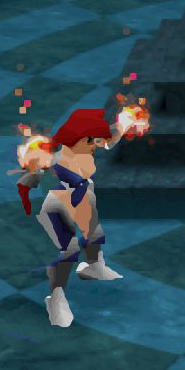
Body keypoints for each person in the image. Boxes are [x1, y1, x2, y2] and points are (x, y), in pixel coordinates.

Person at [11, 107, 130, 328]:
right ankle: (56, 298)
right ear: (81, 138)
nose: (96, 144)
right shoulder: (57, 159)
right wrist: (32, 174)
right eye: (92, 140)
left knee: (95, 234)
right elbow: (36, 173)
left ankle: (93, 267)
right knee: (70, 250)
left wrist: (125, 123)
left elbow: (109, 138)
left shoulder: (87, 148)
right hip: (59, 204)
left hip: (83, 195)